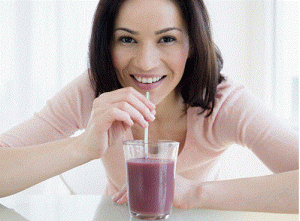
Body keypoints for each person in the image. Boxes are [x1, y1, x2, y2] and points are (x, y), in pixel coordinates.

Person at [0, 0, 298, 214]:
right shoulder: (95, 91)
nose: (145, 62)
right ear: (107, 44)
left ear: (193, 43)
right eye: (127, 39)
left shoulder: (220, 102)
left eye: (167, 39)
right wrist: (82, 148)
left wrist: (191, 192)